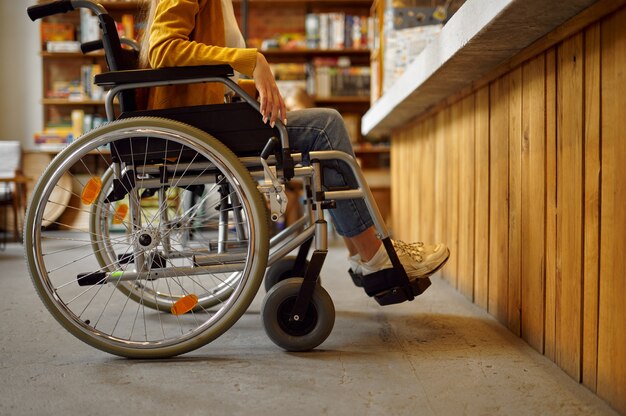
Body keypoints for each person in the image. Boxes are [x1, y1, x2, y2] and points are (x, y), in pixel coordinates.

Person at [140, 0, 449, 282]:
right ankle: (372, 253)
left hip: (208, 118)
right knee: (325, 126)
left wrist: (258, 88)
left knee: (322, 125)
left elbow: (210, 77)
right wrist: (253, 61)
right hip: (198, 126)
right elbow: (163, 49)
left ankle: (367, 255)